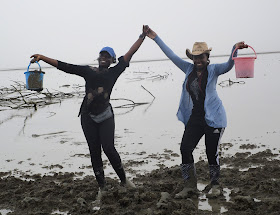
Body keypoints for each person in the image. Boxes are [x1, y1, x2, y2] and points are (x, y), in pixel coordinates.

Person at [30, 26, 148, 199]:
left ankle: (124, 181)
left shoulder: (115, 72)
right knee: (94, 151)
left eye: (107, 56)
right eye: (102, 55)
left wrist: (142, 36)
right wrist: (42, 57)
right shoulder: (88, 71)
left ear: (112, 60)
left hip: (106, 115)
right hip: (87, 117)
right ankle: (103, 188)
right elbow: (65, 66)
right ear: (99, 58)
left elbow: (130, 53)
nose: (104, 58)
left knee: (109, 148)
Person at [145, 26, 248, 198]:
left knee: (211, 151)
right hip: (196, 117)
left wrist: (234, 49)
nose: (198, 59)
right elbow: (171, 55)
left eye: (201, 56)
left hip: (215, 118)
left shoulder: (214, 70)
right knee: (185, 148)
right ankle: (190, 186)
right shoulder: (188, 69)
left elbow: (230, 65)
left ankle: (215, 185)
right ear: (192, 58)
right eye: (195, 57)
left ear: (207, 57)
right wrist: (155, 37)